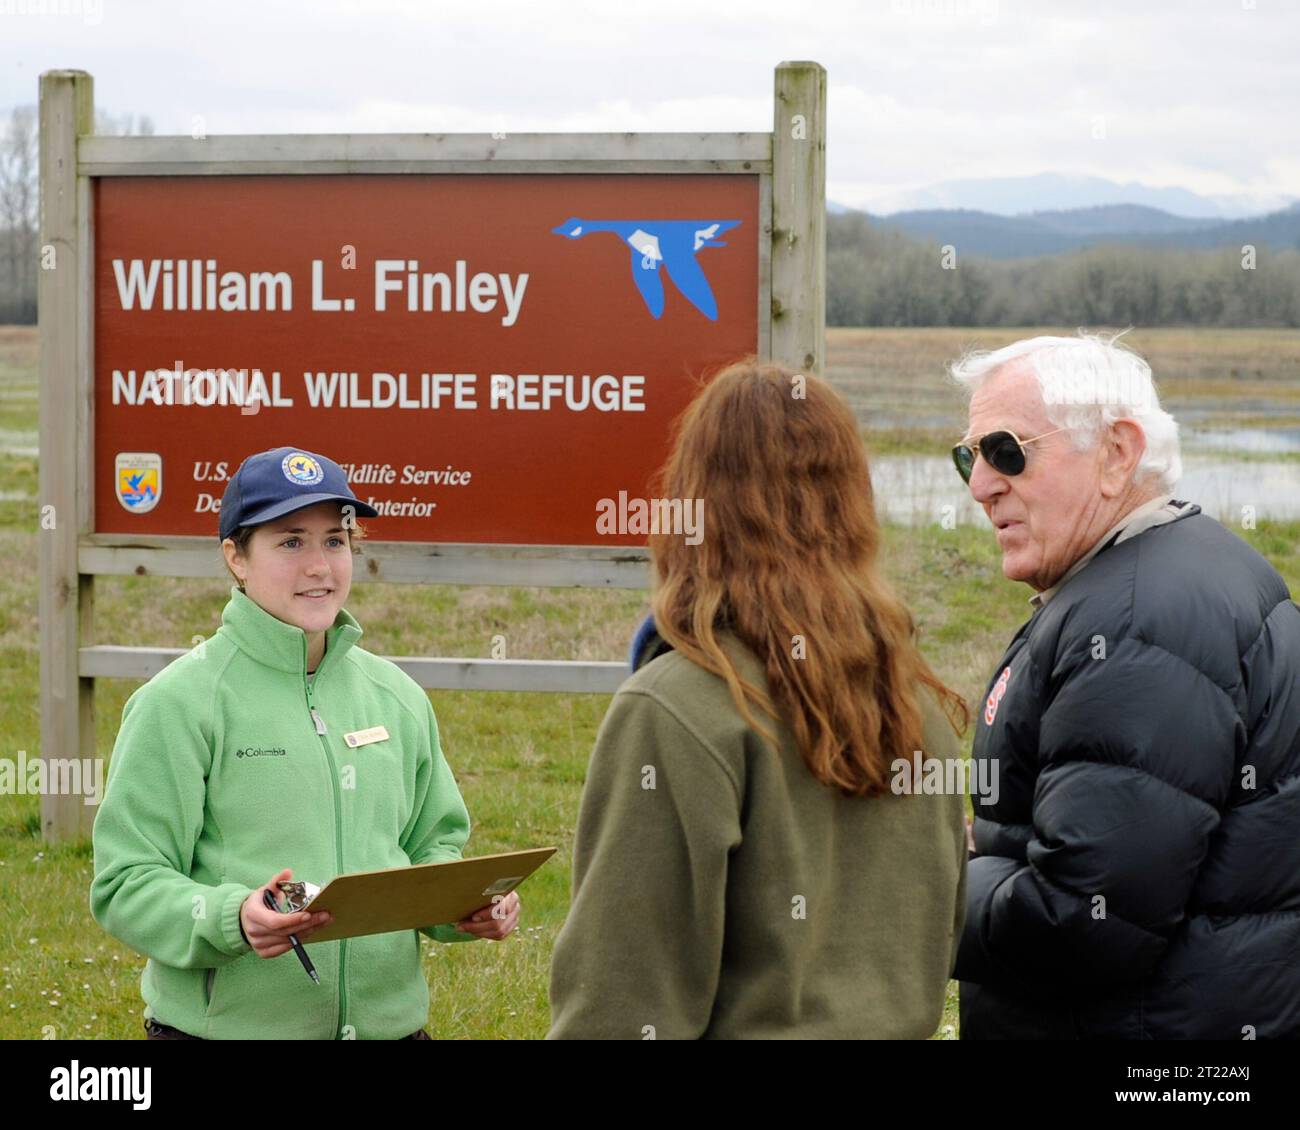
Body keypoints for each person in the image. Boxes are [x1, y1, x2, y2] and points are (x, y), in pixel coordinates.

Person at [548, 360, 969, 1039]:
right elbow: (937, 936)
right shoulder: (916, 708)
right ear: (852, 505)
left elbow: (619, 1006)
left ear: (692, 502)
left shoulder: (679, 709)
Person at [90, 446, 520, 1040]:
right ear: (235, 558)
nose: (319, 565)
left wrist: (467, 907)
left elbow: (432, 851)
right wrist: (233, 918)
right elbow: (126, 882)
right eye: (291, 541)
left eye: (335, 540)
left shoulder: (396, 696)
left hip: (391, 1030)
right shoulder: (178, 703)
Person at [949, 332, 1300, 1039]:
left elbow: (1084, 919)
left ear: (1117, 454)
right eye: (967, 457)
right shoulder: (1167, 573)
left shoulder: (1138, 624)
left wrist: (915, 883)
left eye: (1006, 451)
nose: (981, 484)